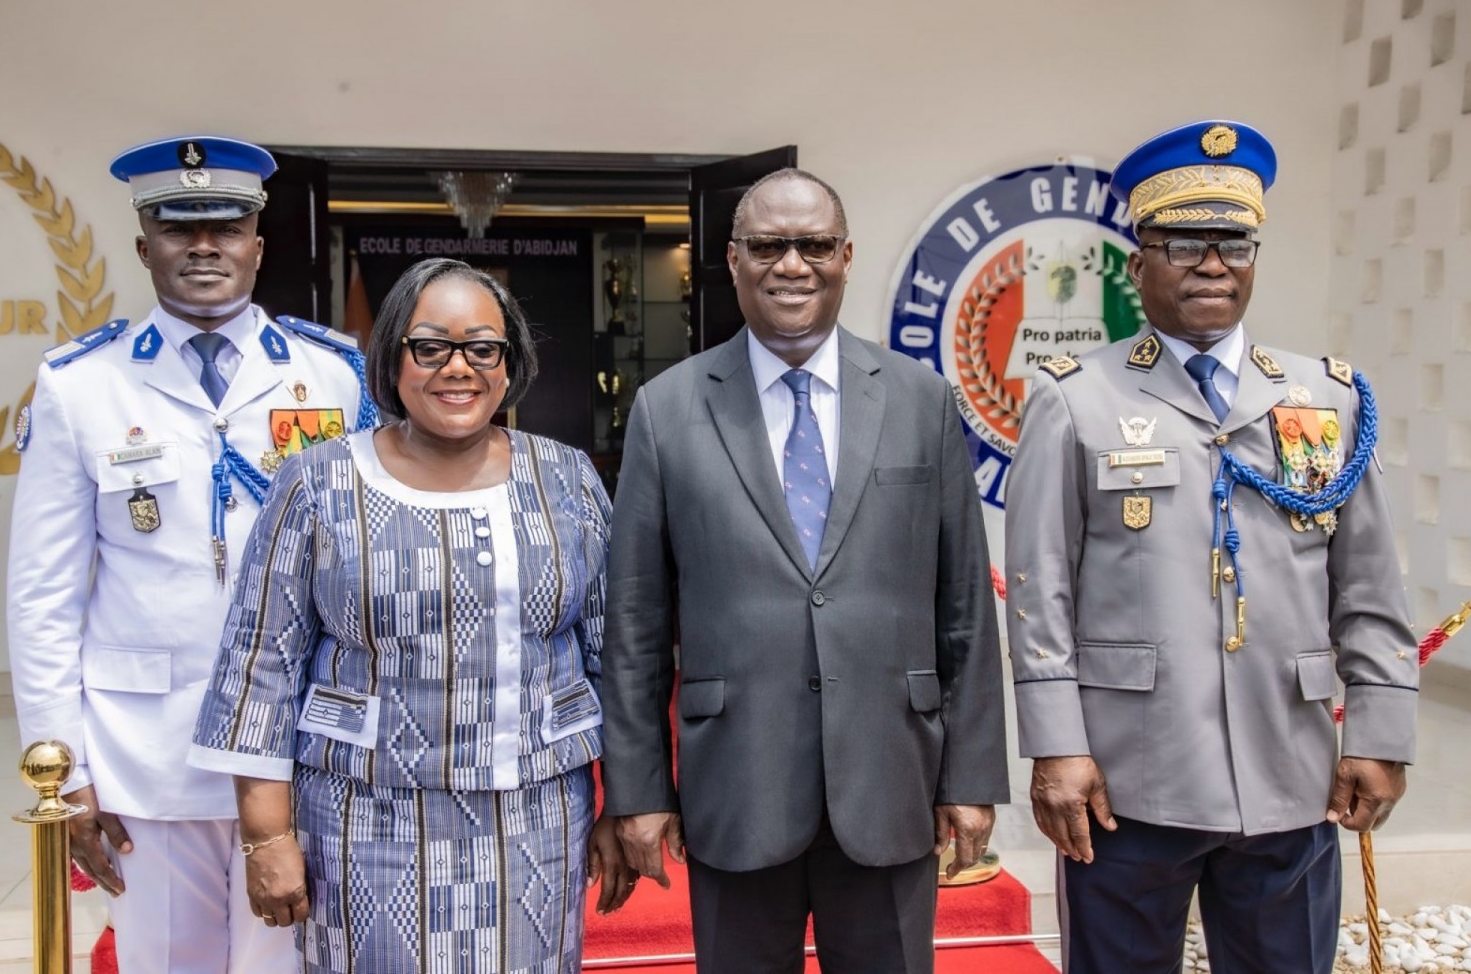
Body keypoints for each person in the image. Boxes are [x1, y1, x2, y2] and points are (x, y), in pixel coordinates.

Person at [1005, 120, 1417, 974]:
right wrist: (1056, 746)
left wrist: (1381, 731)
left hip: (1289, 770)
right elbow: (1040, 587)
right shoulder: (1076, 400)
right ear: (1137, 262)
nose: (1212, 262)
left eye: (1233, 240)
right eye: (1183, 240)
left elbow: (1370, 584)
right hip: (1127, 780)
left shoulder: (1325, 398)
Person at [601, 168, 1009, 974]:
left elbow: (963, 601)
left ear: (846, 255)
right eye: (769, 245)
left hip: (891, 777)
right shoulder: (668, 407)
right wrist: (640, 790)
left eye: (814, 244)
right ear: (733, 258)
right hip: (736, 782)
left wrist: (971, 774)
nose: (793, 264)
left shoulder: (922, 400)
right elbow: (637, 623)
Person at [189, 258, 636, 973]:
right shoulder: (318, 479)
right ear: (392, 356)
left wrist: (627, 800)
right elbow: (259, 661)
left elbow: (615, 651)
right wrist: (266, 836)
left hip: (535, 822)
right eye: (430, 346)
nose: (457, 368)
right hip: (363, 823)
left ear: (510, 361)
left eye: (482, 347)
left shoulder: (565, 476)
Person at [6, 135, 373, 973]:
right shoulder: (80, 384)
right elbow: (42, 595)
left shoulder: (333, 375)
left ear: (258, 244)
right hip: (149, 755)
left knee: (291, 963)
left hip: (301, 746)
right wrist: (65, 773)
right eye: (179, 229)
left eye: (226, 227)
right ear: (145, 246)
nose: (203, 247)